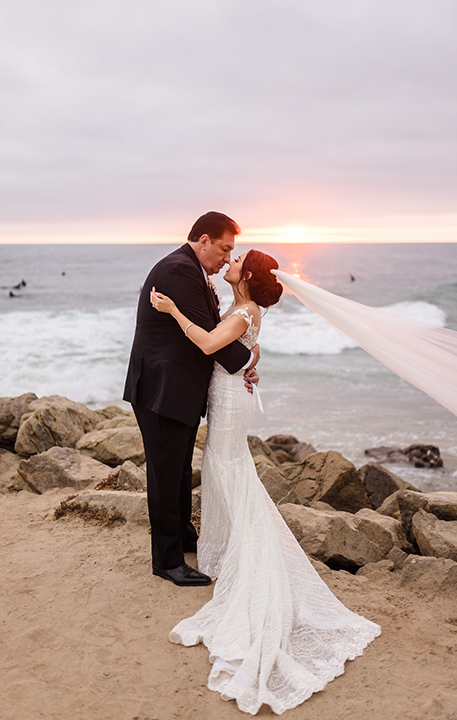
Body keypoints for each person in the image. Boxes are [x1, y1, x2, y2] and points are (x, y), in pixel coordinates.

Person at [150, 248, 381, 715]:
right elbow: (242, 350)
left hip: (230, 400)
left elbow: (211, 344)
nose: (230, 262)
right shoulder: (241, 308)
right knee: (225, 468)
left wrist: (174, 309)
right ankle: (227, 544)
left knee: (226, 465)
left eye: (237, 261)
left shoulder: (242, 311)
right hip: (229, 392)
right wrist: (252, 357)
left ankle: (237, 549)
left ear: (247, 276)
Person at [123, 211, 260, 587]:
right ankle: (166, 560)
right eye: (224, 248)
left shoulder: (191, 269)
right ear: (203, 240)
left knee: (179, 470)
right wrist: (249, 358)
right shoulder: (180, 271)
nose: (227, 258)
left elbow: (210, 330)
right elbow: (212, 338)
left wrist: (246, 359)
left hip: (176, 389)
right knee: (166, 474)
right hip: (161, 390)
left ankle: (182, 536)